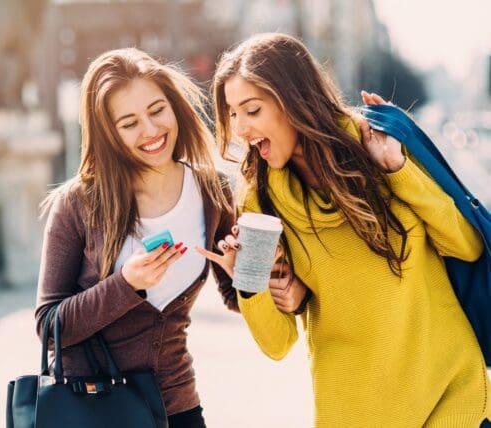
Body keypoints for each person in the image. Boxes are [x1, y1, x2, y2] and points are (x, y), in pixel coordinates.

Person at [201, 33, 491, 426]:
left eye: (252, 110)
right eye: (232, 114)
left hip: (451, 396)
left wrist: (397, 170)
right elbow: (277, 344)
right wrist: (249, 281)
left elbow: (467, 245)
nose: (240, 129)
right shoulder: (259, 203)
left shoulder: (380, 143)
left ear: (294, 100)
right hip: (354, 410)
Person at [35, 47, 238, 428]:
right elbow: (49, 327)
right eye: (129, 123)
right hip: (92, 409)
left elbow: (236, 296)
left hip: (177, 407)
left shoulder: (213, 191)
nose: (150, 131)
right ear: (108, 134)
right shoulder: (78, 203)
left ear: (174, 106)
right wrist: (126, 284)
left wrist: (251, 273)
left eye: (157, 110)